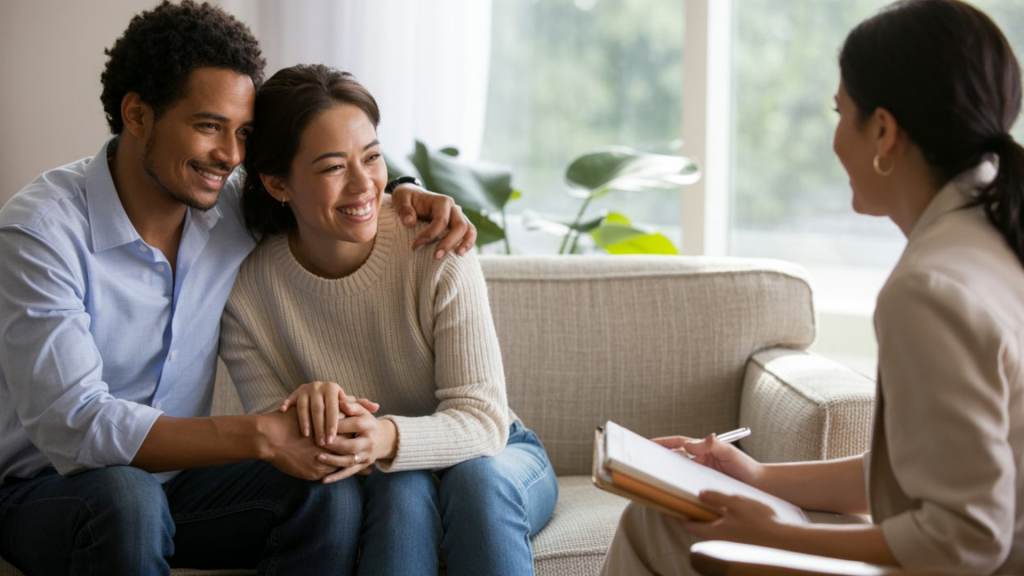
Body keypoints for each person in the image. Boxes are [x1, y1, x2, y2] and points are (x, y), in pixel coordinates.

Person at [0, 2, 476, 574]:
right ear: (137, 114)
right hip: (45, 489)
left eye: (242, 132)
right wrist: (261, 435)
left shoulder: (226, 202)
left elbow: (316, 183)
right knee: (128, 498)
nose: (230, 156)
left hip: (182, 487)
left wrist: (404, 189)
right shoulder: (39, 233)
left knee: (327, 483)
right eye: (208, 126)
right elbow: (74, 426)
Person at [600, 0, 1024, 574]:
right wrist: (756, 476)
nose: (834, 139)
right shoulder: (995, 235)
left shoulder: (930, 290)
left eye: (839, 112)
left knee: (658, 525)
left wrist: (777, 537)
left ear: (883, 131)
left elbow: (964, 541)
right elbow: (927, 472)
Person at [219, 63, 559, 576]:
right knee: (400, 487)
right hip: (382, 478)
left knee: (475, 482)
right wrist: (310, 412)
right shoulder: (247, 293)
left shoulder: (436, 244)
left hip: (498, 454)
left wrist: (384, 437)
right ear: (277, 183)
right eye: (333, 167)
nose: (363, 185)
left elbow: (484, 421)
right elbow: (288, 448)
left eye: (372, 157)